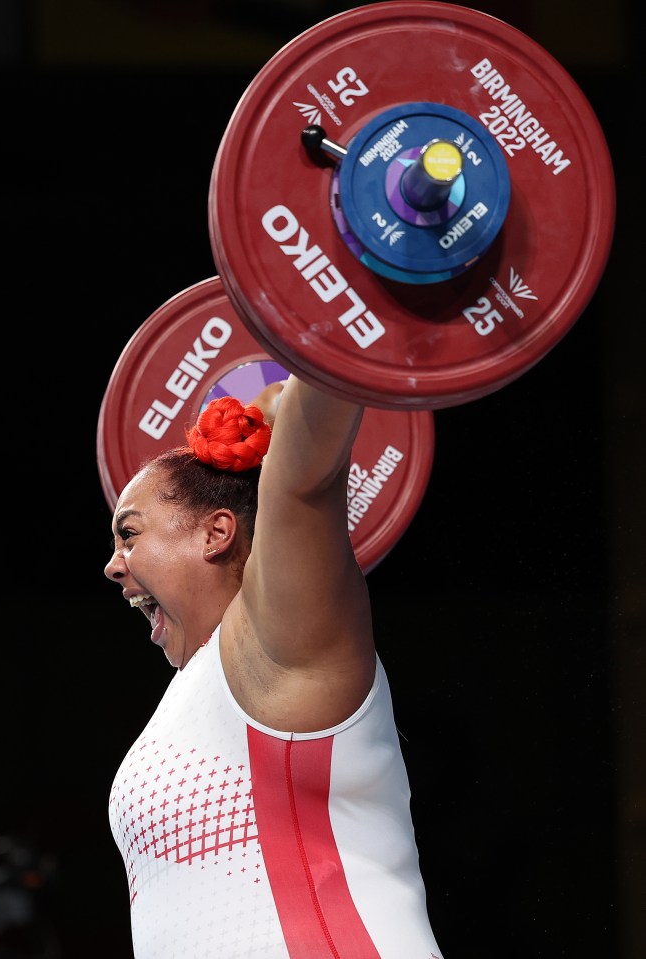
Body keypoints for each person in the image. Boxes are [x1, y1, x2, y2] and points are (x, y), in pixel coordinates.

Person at [104, 375, 444, 959]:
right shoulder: (195, 691)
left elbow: (306, 477)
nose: (113, 566)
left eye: (129, 534)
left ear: (217, 532)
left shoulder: (274, 645)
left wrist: (319, 333)